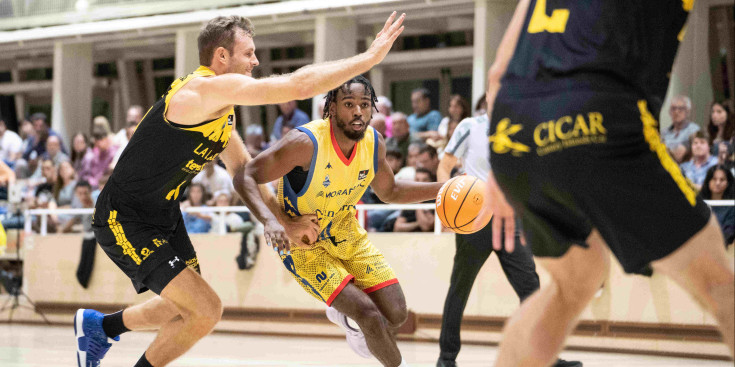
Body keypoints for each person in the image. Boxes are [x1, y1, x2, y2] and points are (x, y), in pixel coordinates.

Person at [74, 12, 405, 367]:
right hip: (124, 216)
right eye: (248, 53)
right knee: (205, 310)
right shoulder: (200, 90)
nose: (256, 61)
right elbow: (297, 86)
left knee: (180, 306)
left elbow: (243, 170)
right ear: (221, 57)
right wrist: (368, 58)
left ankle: (100, 327)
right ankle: (105, 333)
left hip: (164, 215)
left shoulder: (220, 113)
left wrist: (284, 223)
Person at [481, 1, 734, 366]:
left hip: (515, 127)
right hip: (599, 111)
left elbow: (498, 71)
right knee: (720, 285)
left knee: (575, 282)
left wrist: (498, 159)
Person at [238, 75, 442, 367]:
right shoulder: (304, 143)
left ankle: (345, 316)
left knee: (396, 314)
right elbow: (244, 175)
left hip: (345, 231)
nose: (358, 111)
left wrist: (444, 188)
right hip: (303, 244)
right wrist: (276, 222)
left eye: (364, 104)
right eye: (349, 104)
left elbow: (390, 191)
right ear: (332, 108)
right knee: (370, 317)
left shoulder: (374, 143)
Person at [435, 113, 580, 367]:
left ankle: (546, 357)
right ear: (488, 96)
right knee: (460, 288)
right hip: (474, 219)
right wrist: (447, 209)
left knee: (531, 289)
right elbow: (445, 166)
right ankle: (446, 359)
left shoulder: (521, 128)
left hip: (508, 218)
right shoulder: (470, 127)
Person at [699, 165, 735, 246]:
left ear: (728, 183)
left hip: (720, 249)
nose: (718, 183)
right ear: (708, 181)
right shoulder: (698, 203)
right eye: (714, 179)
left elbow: (729, 233)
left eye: (722, 180)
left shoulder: (732, 207)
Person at [662, 95, 700, 163]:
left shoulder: (694, 130)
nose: (676, 112)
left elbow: (679, 155)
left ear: (688, 112)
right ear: (670, 112)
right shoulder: (664, 132)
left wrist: (665, 150)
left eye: (681, 108)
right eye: (673, 108)